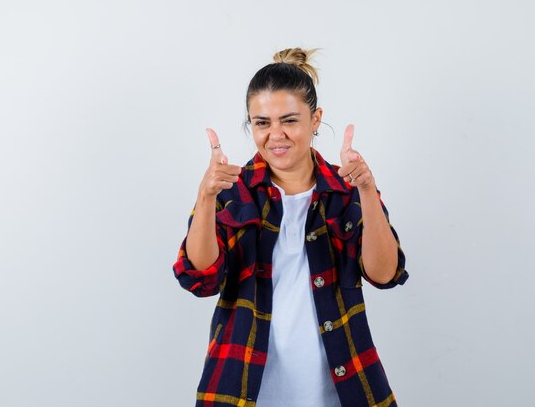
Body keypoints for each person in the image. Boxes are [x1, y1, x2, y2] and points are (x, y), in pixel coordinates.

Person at [172, 47, 409, 407]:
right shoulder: (229, 192)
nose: (276, 135)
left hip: (342, 389)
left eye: (290, 120)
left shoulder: (347, 190)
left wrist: (365, 190)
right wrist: (205, 197)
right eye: (262, 123)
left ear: (316, 120)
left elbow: (385, 273)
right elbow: (200, 279)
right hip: (242, 390)